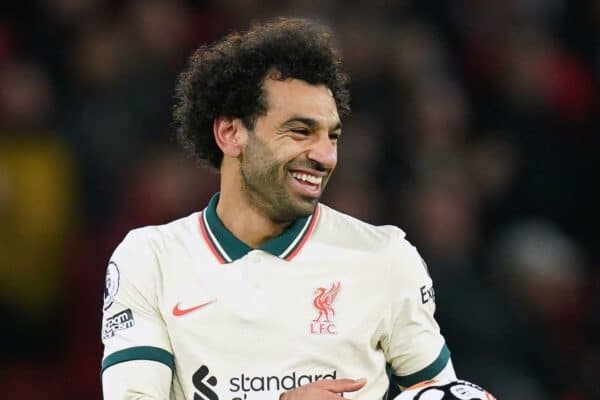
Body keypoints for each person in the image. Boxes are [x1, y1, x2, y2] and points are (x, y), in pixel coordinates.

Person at [100, 18, 456, 400]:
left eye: (332, 136)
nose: (324, 156)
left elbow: (442, 394)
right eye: (301, 132)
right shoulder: (151, 260)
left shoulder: (386, 258)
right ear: (231, 133)